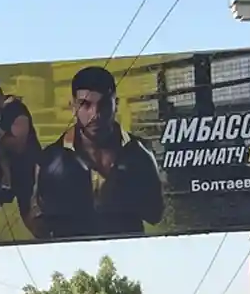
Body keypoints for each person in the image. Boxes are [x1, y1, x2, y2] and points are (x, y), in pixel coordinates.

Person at [33, 64, 165, 240]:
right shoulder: (50, 160)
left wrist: (122, 195)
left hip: (126, 258)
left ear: (115, 104)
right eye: (85, 105)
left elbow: (155, 215)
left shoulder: (140, 154)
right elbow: (40, 225)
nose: (95, 114)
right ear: (73, 107)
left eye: (103, 104)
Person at [0, 98, 44, 245]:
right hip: (4, 171)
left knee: (29, 217)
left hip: (26, 169)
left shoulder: (16, 110)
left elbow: (18, 145)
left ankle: (51, 238)